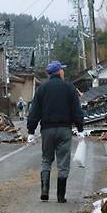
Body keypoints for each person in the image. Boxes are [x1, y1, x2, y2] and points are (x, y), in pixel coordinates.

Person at [26, 61, 84, 203]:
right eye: (62, 70)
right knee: (63, 162)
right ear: (59, 72)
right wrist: (80, 128)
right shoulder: (69, 88)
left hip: (47, 130)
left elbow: (34, 111)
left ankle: (44, 191)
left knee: (46, 159)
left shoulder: (42, 89)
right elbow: (76, 110)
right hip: (64, 130)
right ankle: (60, 196)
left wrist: (31, 131)